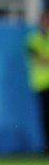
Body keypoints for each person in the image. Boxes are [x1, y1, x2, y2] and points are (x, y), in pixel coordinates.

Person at [27, 11, 49, 155]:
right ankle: (47, 147)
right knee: (46, 117)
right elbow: (39, 59)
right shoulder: (33, 39)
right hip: (42, 85)